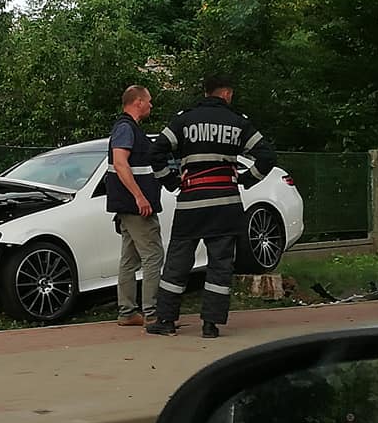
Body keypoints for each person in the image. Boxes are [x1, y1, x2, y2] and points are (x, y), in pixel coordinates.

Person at [146, 75, 276, 338]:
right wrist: (246, 179)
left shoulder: (184, 120)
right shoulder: (238, 122)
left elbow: (155, 152)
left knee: (177, 264)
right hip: (225, 205)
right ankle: (210, 325)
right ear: (226, 94)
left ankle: (166, 321)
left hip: (191, 203)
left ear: (206, 92)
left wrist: (172, 182)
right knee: (220, 264)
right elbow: (266, 155)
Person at [105, 85, 165, 327]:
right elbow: (120, 163)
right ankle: (153, 314)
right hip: (136, 207)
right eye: (149, 101)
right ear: (138, 101)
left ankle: (128, 312)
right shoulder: (125, 129)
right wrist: (140, 197)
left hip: (127, 207)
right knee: (153, 255)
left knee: (129, 259)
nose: (151, 105)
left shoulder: (128, 129)